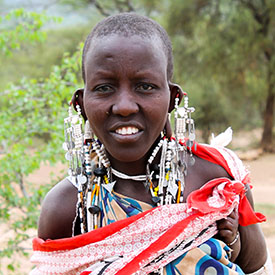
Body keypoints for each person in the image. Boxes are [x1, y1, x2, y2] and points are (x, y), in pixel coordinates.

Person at [30, 13, 272, 275]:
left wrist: (232, 240)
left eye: (145, 86)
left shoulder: (218, 179)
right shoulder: (66, 207)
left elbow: (255, 268)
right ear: (80, 104)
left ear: (173, 99)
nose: (124, 106)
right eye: (104, 88)